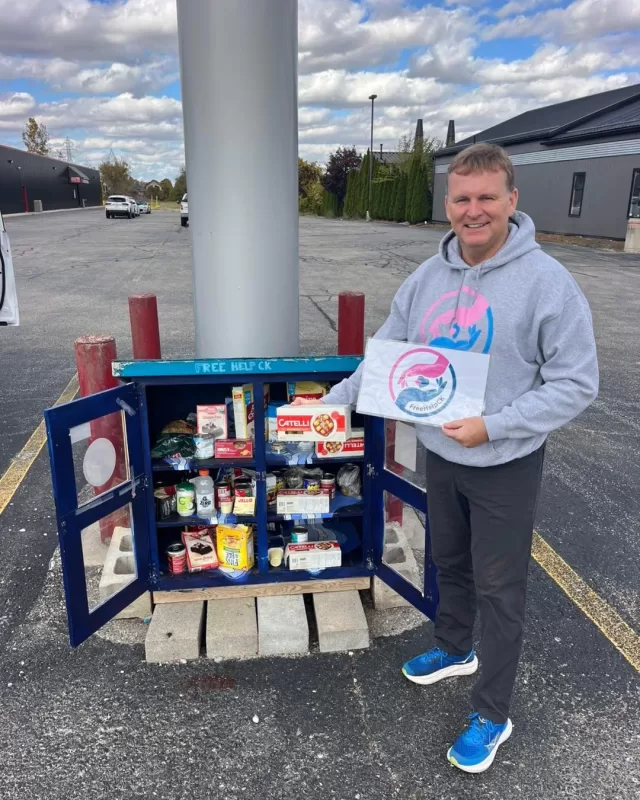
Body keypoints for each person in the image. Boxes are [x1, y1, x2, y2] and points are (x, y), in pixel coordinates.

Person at [293, 143, 598, 773]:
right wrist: (335, 404)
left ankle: (493, 713)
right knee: (449, 561)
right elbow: (386, 355)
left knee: (501, 587)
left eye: (488, 197)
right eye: (462, 198)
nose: (474, 210)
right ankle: (455, 647)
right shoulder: (426, 278)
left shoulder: (548, 284)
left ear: (513, 202)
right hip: (443, 452)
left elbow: (576, 383)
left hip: (506, 461)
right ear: (448, 203)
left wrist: (493, 426)